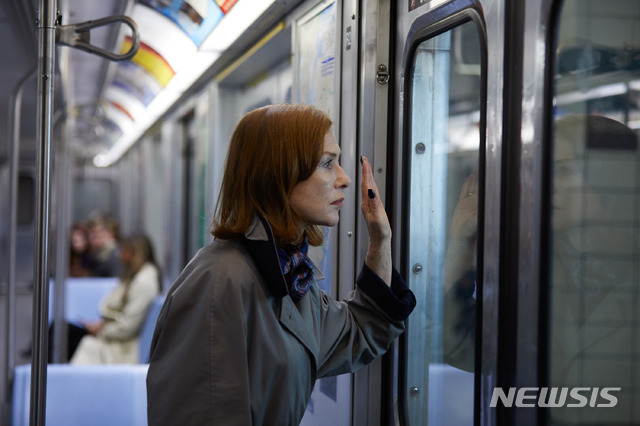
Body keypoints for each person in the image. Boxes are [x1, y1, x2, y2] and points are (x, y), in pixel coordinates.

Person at [146, 104, 416, 425]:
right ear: (280, 173)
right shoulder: (218, 281)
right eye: (328, 164)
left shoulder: (290, 277)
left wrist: (380, 240)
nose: (344, 179)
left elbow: (360, 330)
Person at [443, 114, 639, 424]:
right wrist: (460, 244)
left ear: (610, 179)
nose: (546, 184)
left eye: (564, 170)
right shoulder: (528, 269)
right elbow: (457, 348)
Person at [70, 235, 162, 364]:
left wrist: (102, 329)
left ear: (137, 253)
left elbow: (128, 327)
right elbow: (110, 307)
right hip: (112, 334)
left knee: (69, 335)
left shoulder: (144, 283)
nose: (120, 255)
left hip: (121, 345)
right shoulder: (131, 276)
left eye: (124, 251)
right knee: (64, 331)